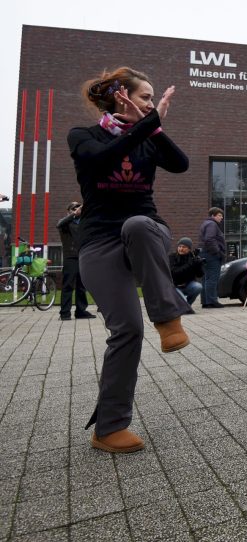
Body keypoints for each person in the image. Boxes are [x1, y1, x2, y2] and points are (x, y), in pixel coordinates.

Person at [69, 66, 190, 453]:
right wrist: (145, 125)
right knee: (126, 331)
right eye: (145, 98)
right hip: (99, 243)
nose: (152, 105)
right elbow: (103, 159)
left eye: (154, 100)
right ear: (122, 98)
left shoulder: (148, 138)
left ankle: (168, 319)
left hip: (145, 233)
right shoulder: (83, 136)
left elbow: (181, 163)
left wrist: (152, 127)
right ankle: (108, 428)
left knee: (138, 223)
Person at [56, 201, 96, 321]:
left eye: (79, 207)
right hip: (71, 258)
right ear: (69, 211)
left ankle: (81, 311)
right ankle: (64, 313)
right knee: (68, 285)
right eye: (74, 208)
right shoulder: (65, 223)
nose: (77, 209)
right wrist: (73, 215)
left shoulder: (83, 223)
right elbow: (59, 224)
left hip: (83, 257)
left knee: (81, 285)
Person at [199, 207, 225, 308]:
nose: (221, 217)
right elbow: (209, 239)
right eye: (219, 215)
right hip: (211, 255)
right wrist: (217, 252)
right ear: (213, 216)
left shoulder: (206, 223)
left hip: (205, 253)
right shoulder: (212, 224)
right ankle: (212, 301)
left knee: (206, 278)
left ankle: (206, 302)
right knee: (212, 278)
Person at [169, 237, 204, 308]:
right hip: (174, 286)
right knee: (183, 301)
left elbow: (200, 275)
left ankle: (187, 306)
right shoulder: (172, 257)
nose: (181, 249)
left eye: (184, 247)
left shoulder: (192, 257)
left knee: (198, 287)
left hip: (187, 285)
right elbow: (175, 273)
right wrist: (190, 263)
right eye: (179, 246)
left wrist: (198, 265)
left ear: (189, 249)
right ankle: (185, 306)